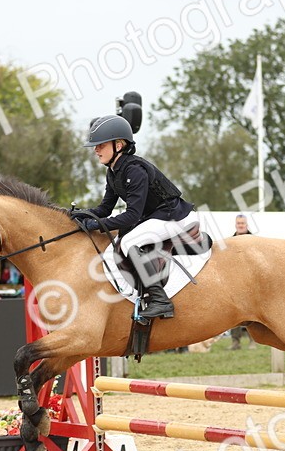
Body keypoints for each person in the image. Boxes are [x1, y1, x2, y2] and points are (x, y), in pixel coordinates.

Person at [71, 114, 198, 319]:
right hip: (157, 217)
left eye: (100, 145)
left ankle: (160, 300)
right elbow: (105, 208)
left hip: (175, 216)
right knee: (123, 240)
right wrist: (77, 215)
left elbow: (131, 216)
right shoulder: (113, 171)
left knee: (129, 242)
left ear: (119, 145)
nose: (95, 150)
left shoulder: (135, 170)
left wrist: (95, 225)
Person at [229, 214, 253, 349]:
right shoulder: (229, 242)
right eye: (239, 223)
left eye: (243, 223)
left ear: (246, 224)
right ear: (235, 225)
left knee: (253, 314)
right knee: (233, 315)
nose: (241, 225)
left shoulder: (254, 241)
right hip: (234, 283)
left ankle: (252, 341)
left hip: (251, 283)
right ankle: (235, 342)